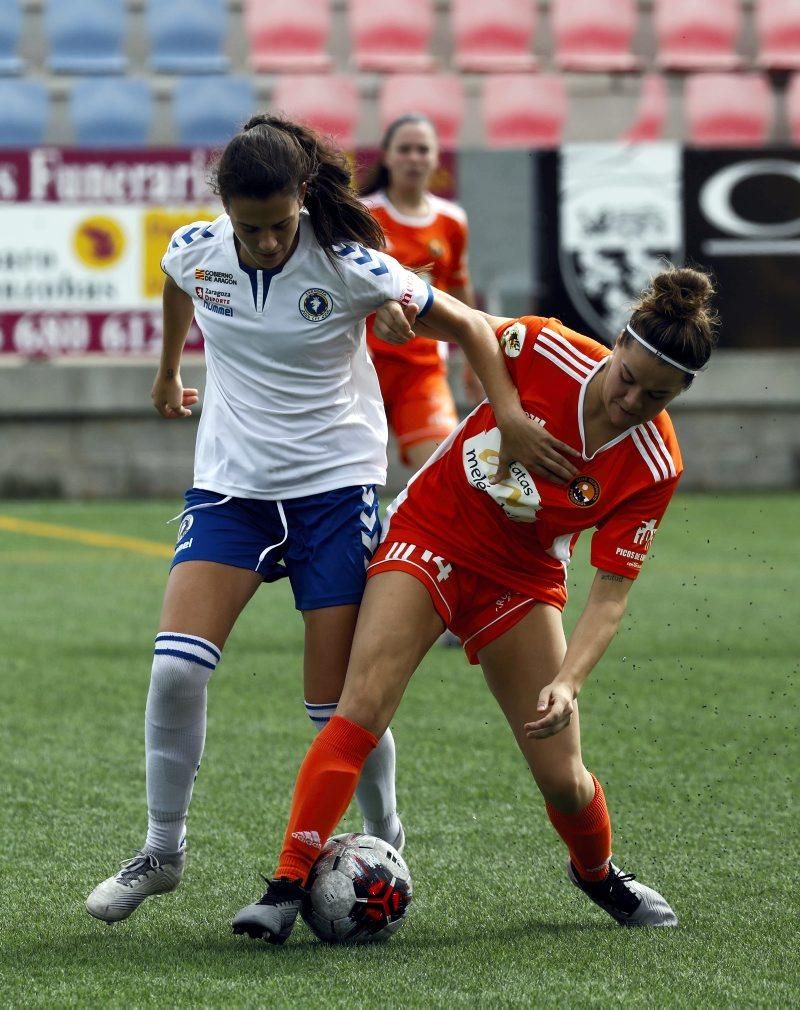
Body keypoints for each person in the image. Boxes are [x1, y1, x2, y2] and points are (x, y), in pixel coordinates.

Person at [85, 114, 579, 925]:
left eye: (282, 224)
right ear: (225, 211)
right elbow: (179, 286)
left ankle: (385, 833)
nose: (270, 241)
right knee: (175, 669)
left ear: (303, 200)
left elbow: (467, 323)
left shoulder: (351, 262)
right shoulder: (194, 248)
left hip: (333, 492)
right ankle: (162, 852)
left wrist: (512, 417)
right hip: (231, 490)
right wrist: (169, 371)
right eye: (253, 228)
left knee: (338, 709)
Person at [231, 266, 719, 942]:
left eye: (656, 394)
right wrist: (399, 313)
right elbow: (461, 322)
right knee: (363, 706)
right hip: (432, 531)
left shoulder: (655, 464)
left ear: (683, 392)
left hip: (519, 581)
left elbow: (610, 598)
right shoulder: (548, 348)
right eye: (626, 377)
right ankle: (286, 886)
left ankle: (598, 872)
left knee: (564, 779)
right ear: (615, 346)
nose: (630, 399)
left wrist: (568, 683)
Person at [360, 113, 481, 474]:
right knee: (349, 476)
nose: (414, 157)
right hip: (362, 367)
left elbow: (459, 288)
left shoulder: (451, 220)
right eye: (405, 149)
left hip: (422, 370)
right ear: (386, 156)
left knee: (442, 473)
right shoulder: (364, 215)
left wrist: (475, 359)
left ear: (434, 158)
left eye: (422, 150)